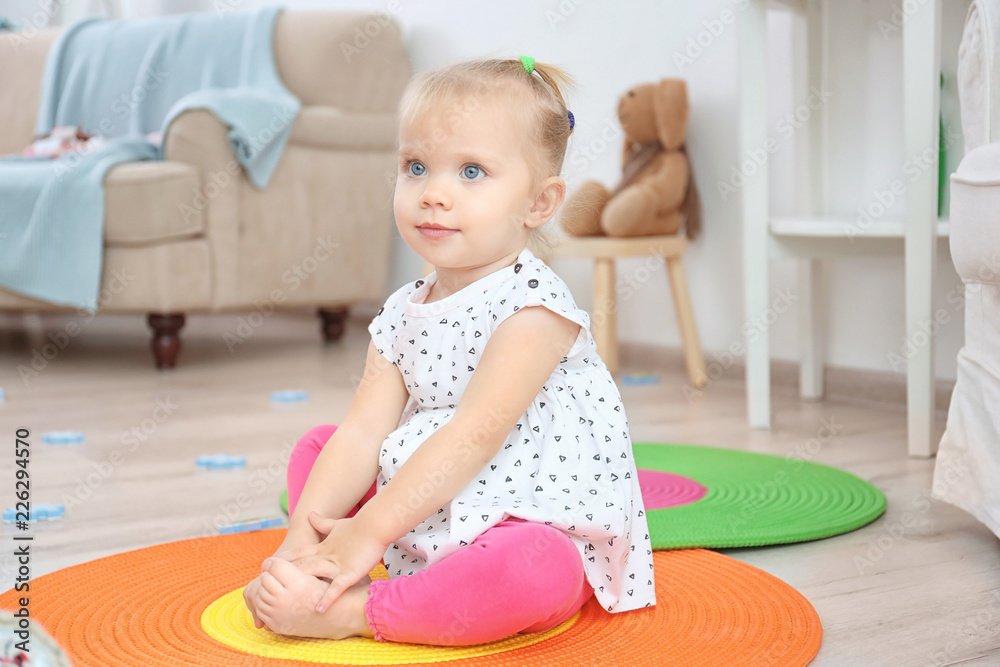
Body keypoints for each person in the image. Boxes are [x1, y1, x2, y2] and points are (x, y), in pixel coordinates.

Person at [242, 55, 655, 646]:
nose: (433, 193)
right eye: (416, 167)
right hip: (433, 502)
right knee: (322, 445)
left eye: (471, 172)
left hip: (525, 514)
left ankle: (360, 612)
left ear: (539, 204)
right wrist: (299, 551)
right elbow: (363, 432)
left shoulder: (535, 308)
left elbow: (472, 437)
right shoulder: (401, 312)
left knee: (536, 567)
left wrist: (367, 533)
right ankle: (321, 570)